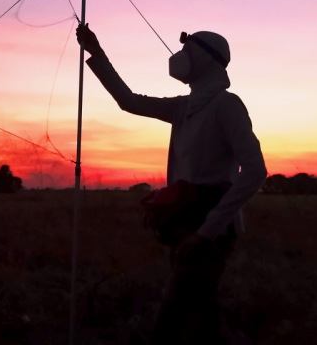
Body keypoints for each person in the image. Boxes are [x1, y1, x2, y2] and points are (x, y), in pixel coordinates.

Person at [76, 24, 267, 344]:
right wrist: (96, 52)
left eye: (186, 51)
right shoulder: (184, 106)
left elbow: (255, 171)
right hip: (184, 220)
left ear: (205, 60)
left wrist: (206, 232)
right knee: (202, 319)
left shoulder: (226, 104)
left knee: (173, 325)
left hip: (209, 227)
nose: (178, 58)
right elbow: (128, 101)